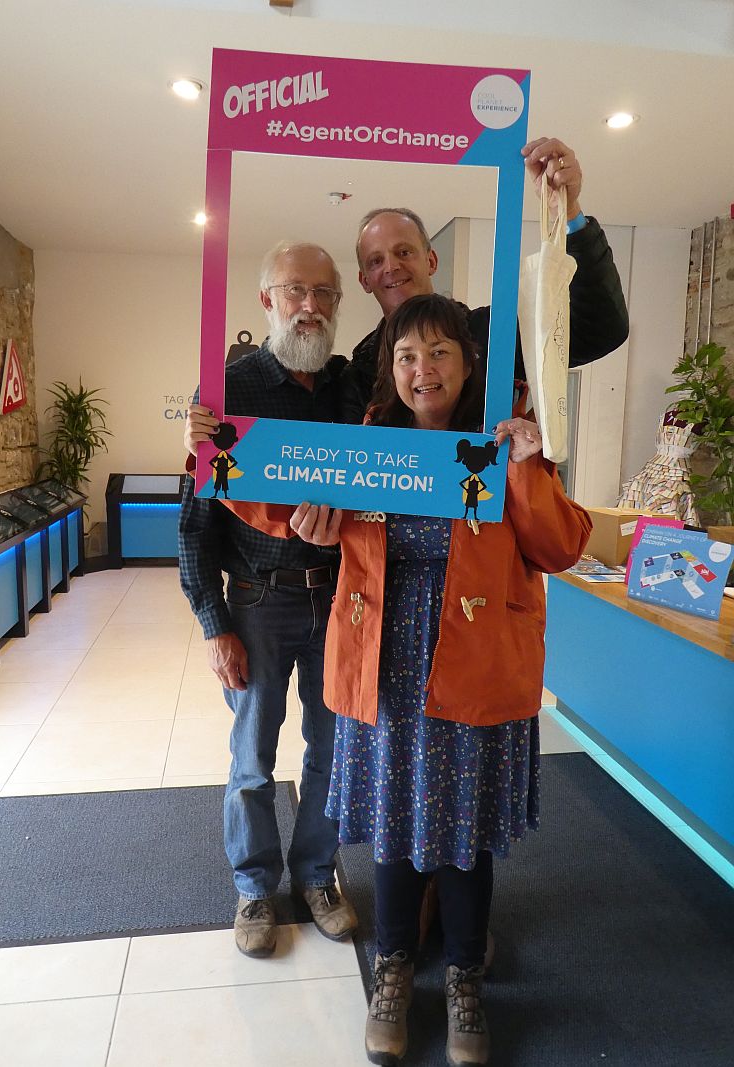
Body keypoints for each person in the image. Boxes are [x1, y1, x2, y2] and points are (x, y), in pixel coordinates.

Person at [222, 294, 592, 1065]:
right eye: (406, 355)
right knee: (393, 828)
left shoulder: (502, 445)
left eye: (440, 352)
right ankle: (392, 968)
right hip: (385, 668)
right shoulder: (367, 448)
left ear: (468, 363)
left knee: (463, 837)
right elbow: (268, 491)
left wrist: (528, 468)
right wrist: (212, 448)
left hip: (474, 667)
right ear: (391, 370)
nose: (423, 369)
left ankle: (464, 976)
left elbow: (560, 546)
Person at [178, 241, 358, 958]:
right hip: (257, 604)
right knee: (252, 756)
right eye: (294, 291)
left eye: (324, 293)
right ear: (267, 300)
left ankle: (316, 876)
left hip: (341, 603)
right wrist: (213, 621)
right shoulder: (225, 392)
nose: (310, 306)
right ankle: (254, 886)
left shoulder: (352, 389)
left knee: (331, 750)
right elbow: (196, 522)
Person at [340, 137, 630, 424]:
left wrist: (568, 213)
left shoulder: (494, 335)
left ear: (431, 261)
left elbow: (600, 330)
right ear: (364, 280)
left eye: (404, 252)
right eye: (376, 261)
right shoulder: (356, 377)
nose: (392, 266)